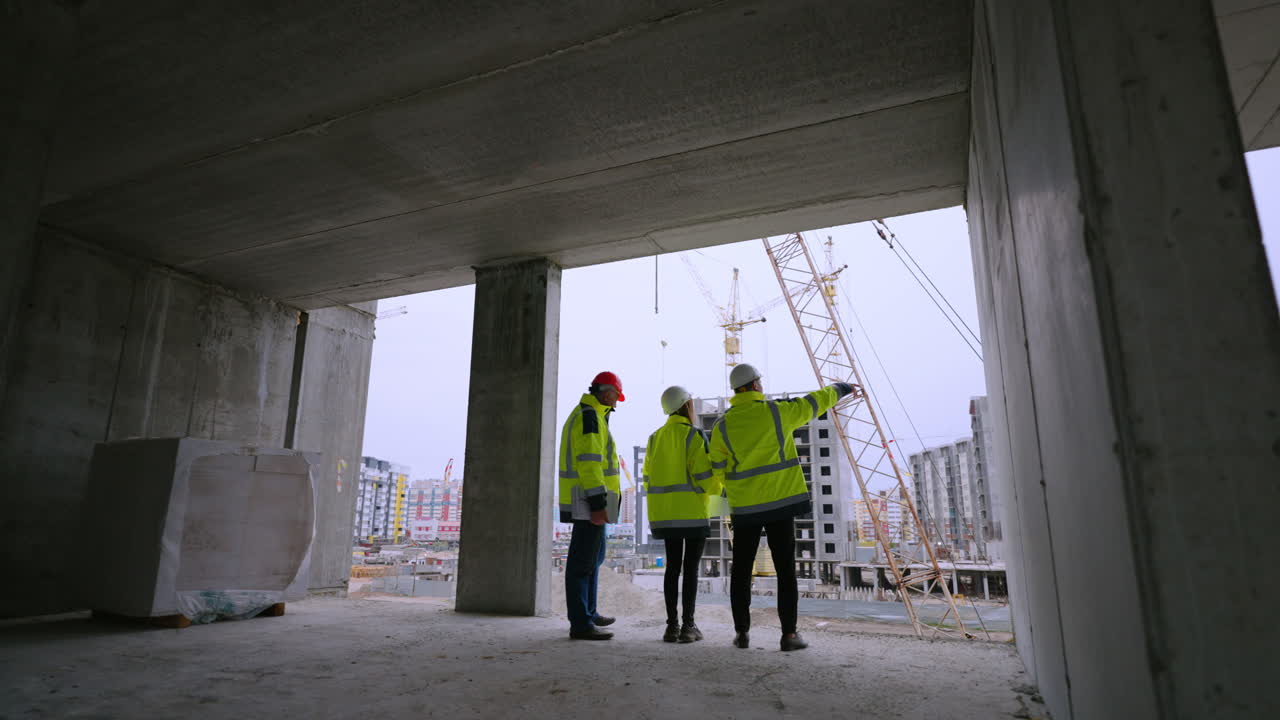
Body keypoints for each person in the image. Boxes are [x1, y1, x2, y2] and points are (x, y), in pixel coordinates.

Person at [709, 362, 856, 651]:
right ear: (754, 385)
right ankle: (789, 635)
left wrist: (739, 488)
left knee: (741, 571)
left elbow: (717, 468)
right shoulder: (776, 412)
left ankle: (741, 633)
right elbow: (813, 403)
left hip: (745, 508)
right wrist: (841, 388)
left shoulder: (722, 426)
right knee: (785, 570)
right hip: (780, 504)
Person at [642, 385, 720, 644]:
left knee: (672, 568)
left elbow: (647, 478)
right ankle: (688, 626)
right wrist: (721, 489)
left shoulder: (654, 438)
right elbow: (704, 476)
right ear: (686, 406)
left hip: (665, 515)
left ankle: (671, 627)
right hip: (692, 513)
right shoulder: (693, 435)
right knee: (690, 569)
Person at [557, 371, 626, 640]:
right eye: (616, 397)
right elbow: (589, 463)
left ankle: (590, 612)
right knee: (582, 564)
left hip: (592, 500)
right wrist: (598, 504)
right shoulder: (589, 417)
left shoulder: (593, 415)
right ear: (606, 393)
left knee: (593, 559)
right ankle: (581, 623)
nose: (616, 403)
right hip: (587, 501)